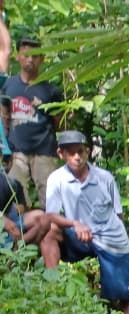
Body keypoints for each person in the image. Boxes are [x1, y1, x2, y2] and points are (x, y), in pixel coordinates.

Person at [40, 130, 129, 314]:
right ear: (61, 154)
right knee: (49, 231)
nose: (77, 157)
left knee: (124, 295)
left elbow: (118, 215)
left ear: (88, 152)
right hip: (79, 236)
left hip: (110, 238)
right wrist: (74, 223)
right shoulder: (57, 179)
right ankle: (52, 287)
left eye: (81, 151)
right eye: (71, 153)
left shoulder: (104, 178)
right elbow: (51, 215)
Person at [2, 34, 60, 208]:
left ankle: (49, 233)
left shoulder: (51, 90)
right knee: (16, 201)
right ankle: (23, 234)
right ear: (18, 56)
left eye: (35, 56)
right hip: (16, 152)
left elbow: (59, 123)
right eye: (26, 55)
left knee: (50, 201)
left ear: (42, 58)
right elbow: (4, 118)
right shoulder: (8, 85)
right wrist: (5, 150)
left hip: (44, 152)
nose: (30, 60)